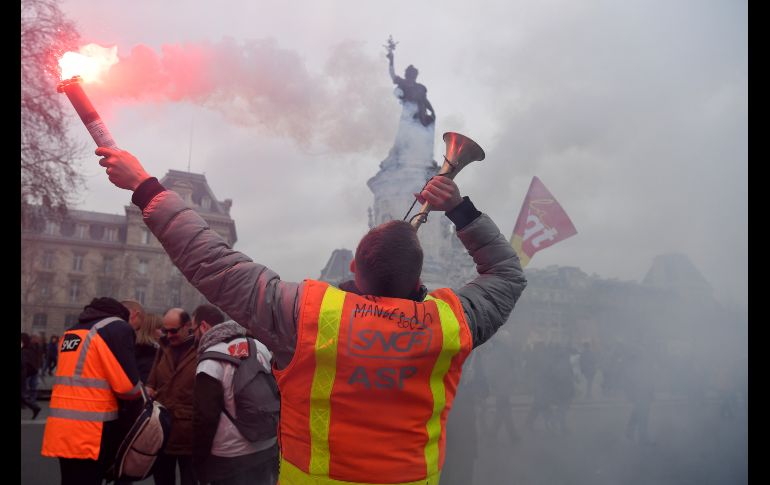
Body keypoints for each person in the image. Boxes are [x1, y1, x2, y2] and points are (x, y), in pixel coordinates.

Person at [96, 146, 526, 484]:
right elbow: (506, 274)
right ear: (418, 282)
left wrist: (144, 185)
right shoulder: (450, 325)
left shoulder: (309, 315)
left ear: (355, 270)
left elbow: (212, 262)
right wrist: (460, 210)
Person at [41, 297, 143, 485]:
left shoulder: (72, 331)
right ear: (130, 316)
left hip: (62, 427)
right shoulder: (117, 327)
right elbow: (128, 388)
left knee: (70, 480)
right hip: (93, 430)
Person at [192, 304, 279, 485]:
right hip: (267, 444)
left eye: (193, 330)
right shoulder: (258, 347)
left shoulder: (209, 360)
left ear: (203, 327)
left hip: (230, 456)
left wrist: (199, 461)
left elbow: (205, 418)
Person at [147, 307, 199, 485]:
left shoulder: (201, 350)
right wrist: (149, 389)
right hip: (162, 432)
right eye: (165, 330)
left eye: (173, 331)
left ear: (187, 326)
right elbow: (151, 381)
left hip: (189, 434)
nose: (168, 335)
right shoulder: (163, 348)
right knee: (162, 480)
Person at [387, 49, 435, 126]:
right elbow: (392, 74)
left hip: (420, 115)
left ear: (415, 75)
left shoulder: (420, 87)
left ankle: (423, 121)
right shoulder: (402, 82)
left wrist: (432, 111)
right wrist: (391, 60)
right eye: (410, 73)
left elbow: (425, 100)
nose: (412, 76)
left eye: (413, 74)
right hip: (407, 112)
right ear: (407, 74)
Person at [21, 332, 42, 419]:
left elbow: (24, 364)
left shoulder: (25, 350)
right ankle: (34, 407)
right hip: (24, 374)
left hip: (22, 374)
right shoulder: (27, 349)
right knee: (22, 395)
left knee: (23, 395)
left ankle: (35, 407)